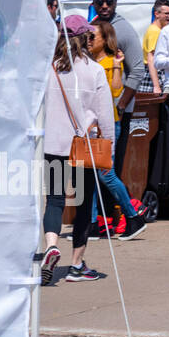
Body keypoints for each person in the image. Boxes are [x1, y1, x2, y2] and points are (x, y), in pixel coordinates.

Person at [43, 18, 118, 283]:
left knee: (54, 201)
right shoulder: (94, 70)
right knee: (84, 205)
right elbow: (105, 114)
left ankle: (51, 245)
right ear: (85, 38)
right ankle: (76, 264)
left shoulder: (48, 69)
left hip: (53, 145)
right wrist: (108, 146)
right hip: (83, 146)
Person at [85, 19, 145, 240]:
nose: (88, 40)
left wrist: (118, 65)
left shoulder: (110, 62)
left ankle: (133, 216)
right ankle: (90, 223)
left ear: (105, 39)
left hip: (106, 125)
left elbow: (115, 90)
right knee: (89, 175)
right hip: (91, 126)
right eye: (87, 36)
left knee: (105, 174)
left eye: (93, 37)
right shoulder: (88, 62)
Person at [89, 0, 146, 175]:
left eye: (109, 1)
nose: (105, 5)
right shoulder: (94, 24)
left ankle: (118, 205)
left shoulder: (124, 30)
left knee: (111, 169)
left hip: (117, 111)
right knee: (95, 167)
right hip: (95, 111)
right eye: (100, 2)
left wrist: (121, 105)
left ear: (116, 3)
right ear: (94, 4)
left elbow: (138, 70)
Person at [141, 0, 169, 94]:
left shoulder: (158, 30)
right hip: (152, 75)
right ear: (157, 14)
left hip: (155, 74)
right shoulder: (155, 31)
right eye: (166, 14)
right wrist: (156, 86)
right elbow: (151, 59)